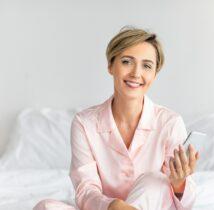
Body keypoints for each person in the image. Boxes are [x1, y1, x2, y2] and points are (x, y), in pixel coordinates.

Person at [33, 26, 199, 210]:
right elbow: (86, 189)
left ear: (154, 74)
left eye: (147, 66)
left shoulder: (170, 122)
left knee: (155, 181)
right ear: (111, 66)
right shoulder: (84, 123)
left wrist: (179, 183)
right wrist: (112, 206)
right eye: (127, 62)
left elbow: (186, 204)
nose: (136, 73)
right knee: (45, 206)